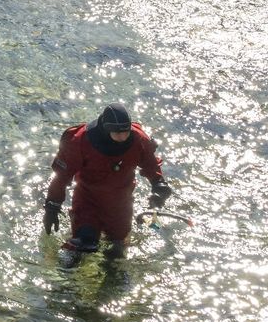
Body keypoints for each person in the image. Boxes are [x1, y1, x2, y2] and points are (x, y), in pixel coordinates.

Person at [40, 104, 171, 262]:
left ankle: (113, 281)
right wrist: (52, 207)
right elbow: (61, 177)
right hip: (88, 200)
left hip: (121, 203)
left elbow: (151, 164)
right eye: (117, 133)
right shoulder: (80, 141)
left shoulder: (138, 139)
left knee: (117, 249)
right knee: (83, 243)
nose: (123, 137)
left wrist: (159, 185)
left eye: (126, 132)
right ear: (105, 129)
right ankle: (64, 281)